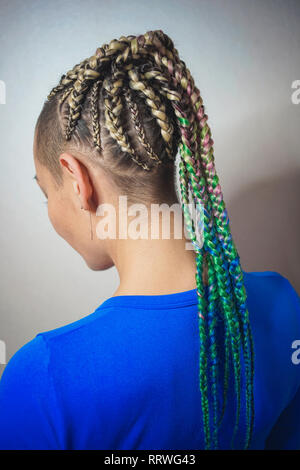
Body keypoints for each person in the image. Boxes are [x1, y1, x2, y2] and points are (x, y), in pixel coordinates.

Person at [0, 29, 299, 450]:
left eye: (46, 193)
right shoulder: (283, 304)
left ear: (76, 179)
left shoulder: (43, 381)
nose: (50, 208)